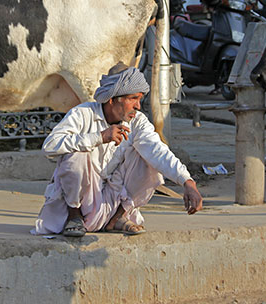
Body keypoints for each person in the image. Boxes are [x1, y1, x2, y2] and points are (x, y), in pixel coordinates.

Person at [33, 65, 203, 238]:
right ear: (112, 99)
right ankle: (74, 216)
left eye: (140, 99)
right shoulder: (83, 113)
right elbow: (50, 146)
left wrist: (187, 181)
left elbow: (158, 151)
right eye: (133, 99)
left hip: (113, 197)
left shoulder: (138, 122)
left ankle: (117, 218)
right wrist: (99, 137)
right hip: (80, 199)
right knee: (75, 154)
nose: (138, 106)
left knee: (149, 161)